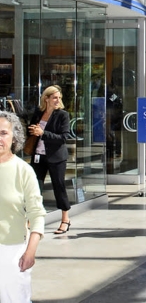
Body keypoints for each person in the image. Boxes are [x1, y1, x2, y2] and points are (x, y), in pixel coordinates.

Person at [0, 111, 47, 302]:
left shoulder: (23, 171)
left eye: (3, 133)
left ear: (14, 138)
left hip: (12, 251)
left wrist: (30, 251)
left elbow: (37, 213)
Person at [27, 85, 72, 234]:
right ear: (46, 99)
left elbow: (63, 138)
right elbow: (31, 129)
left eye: (59, 98)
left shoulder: (63, 115)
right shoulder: (38, 113)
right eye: (54, 98)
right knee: (34, 188)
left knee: (59, 187)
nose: (58, 100)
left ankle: (65, 218)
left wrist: (43, 133)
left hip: (56, 157)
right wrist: (32, 130)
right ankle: (32, 219)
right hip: (38, 156)